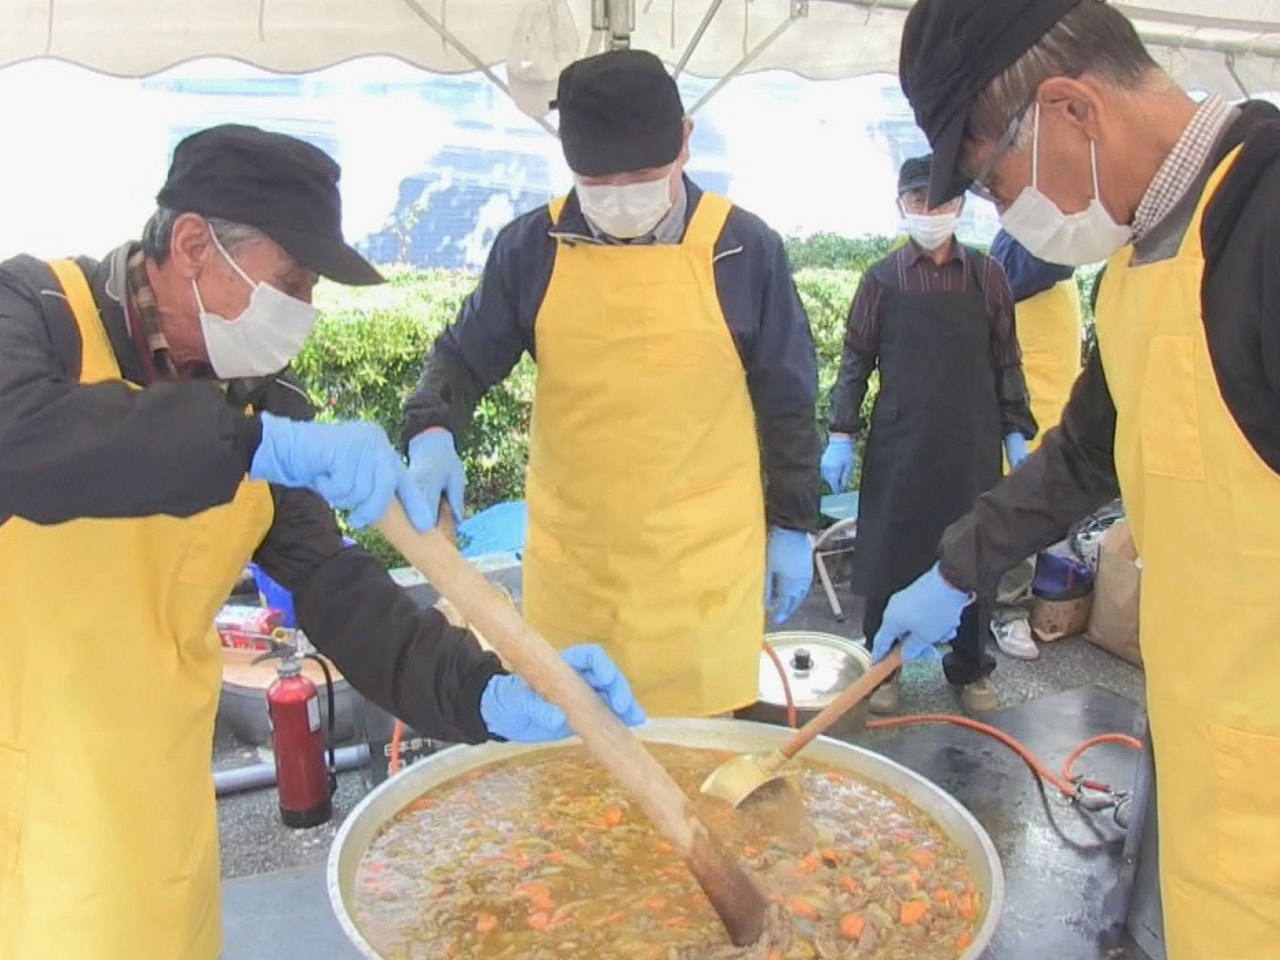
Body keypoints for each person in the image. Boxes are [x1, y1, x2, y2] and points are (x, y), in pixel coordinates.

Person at [0, 124, 643, 960]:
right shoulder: (35, 311)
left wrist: (488, 691)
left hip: (155, 813)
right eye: (291, 283)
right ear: (193, 244)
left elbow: (339, 592)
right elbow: (25, 440)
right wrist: (256, 444)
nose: (302, 314)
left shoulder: (265, 399)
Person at [882, 0, 1280, 956]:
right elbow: (1083, 455)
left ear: (1070, 111)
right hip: (1206, 742)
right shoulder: (1144, 257)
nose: (1000, 212)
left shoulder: (1264, 221)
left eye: (992, 181)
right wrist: (953, 567)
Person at [403, 50, 820, 719]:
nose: (622, 192)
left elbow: (789, 402)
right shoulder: (529, 249)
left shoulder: (742, 251)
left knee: (697, 770)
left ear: (685, 142)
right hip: (579, 572)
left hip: (702, 573)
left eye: (643, 174)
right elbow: (461, 356)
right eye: (599, 179)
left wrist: (794, 521)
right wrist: (431, 426)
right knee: (576, 759)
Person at [821, 155, 1036, 716]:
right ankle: (883, 668)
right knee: (889, 551)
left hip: (971, 440)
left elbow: (1006, 361)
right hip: (902, 442)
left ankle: (969, 668)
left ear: (960, 206)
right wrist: (840, 431)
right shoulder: (881, 280)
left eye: (940, 201)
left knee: (973, 554)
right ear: (901, 205)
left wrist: (1016, 429)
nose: (929, 211)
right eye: (917, 201)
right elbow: (855, 362)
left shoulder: (988, 276)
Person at [985, 229, 1083, 659]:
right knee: (1009, 516)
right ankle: (1003, 612)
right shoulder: (1023, 253)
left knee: (1031, 517)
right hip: (1017, 416)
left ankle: (1010, 604)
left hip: (1055, 411)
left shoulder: (1056, 260)